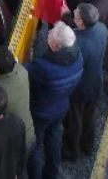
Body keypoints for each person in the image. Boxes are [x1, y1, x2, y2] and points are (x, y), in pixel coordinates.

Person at [26, 22, 83, 179]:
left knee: (35, 144)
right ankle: (51, 173)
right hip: (61, 106)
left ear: (55, 45)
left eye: (51, 33)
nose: (49, 32)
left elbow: (28, 78)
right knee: (53, 138)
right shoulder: (78, 57)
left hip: (40, 112)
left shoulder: (43, 66)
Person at [64, 4, 107, 159]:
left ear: (81, 22)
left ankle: (71, 150)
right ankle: (87, 145)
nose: (73, 13)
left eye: (75, 14)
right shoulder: (102, 29)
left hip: (79, 88)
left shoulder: (75, 42)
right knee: (90, 117)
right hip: (95, 83)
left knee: (74, 120)